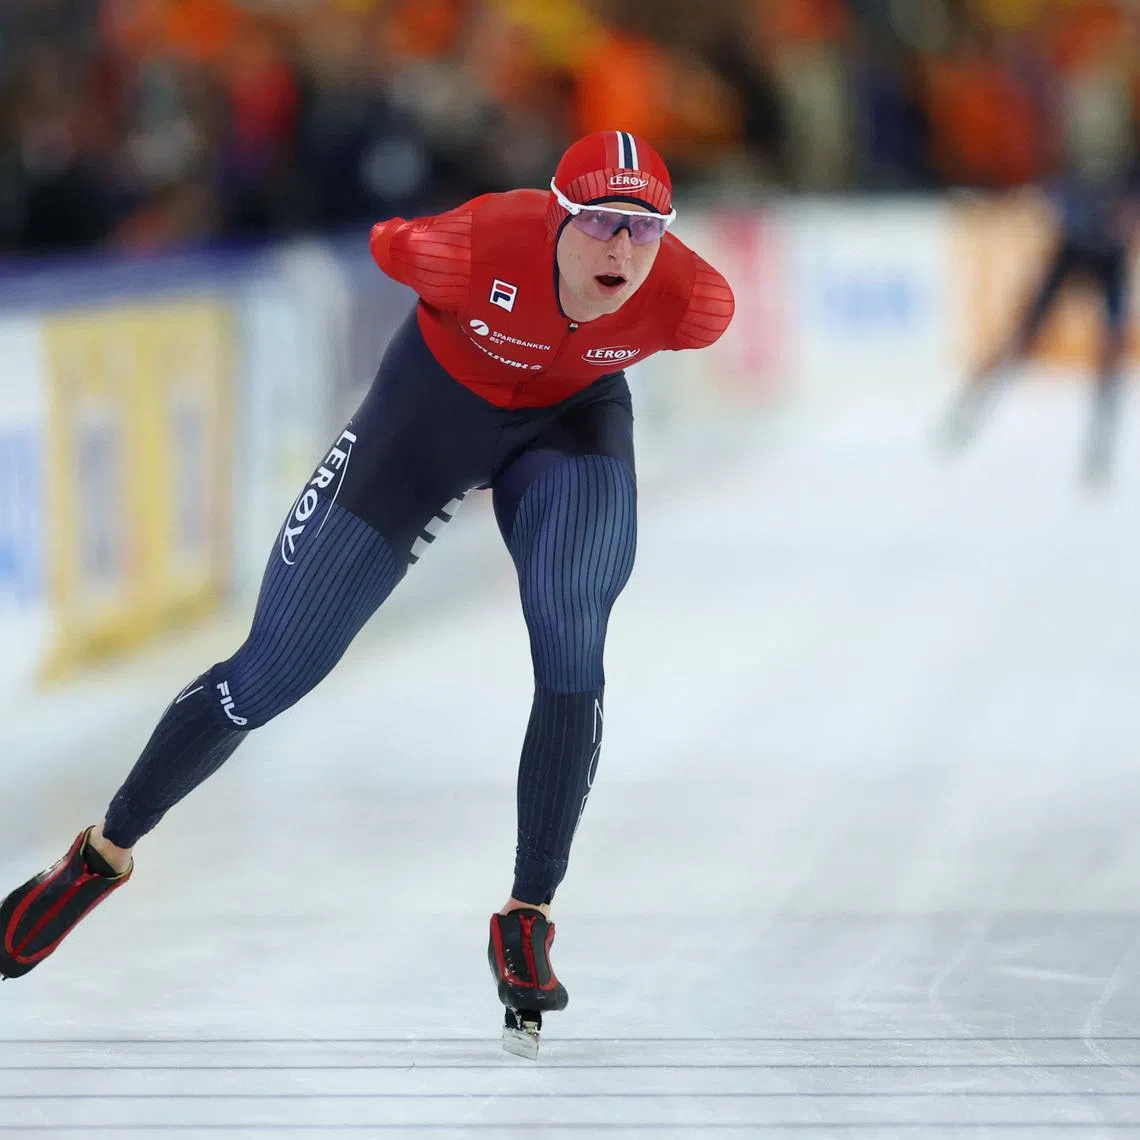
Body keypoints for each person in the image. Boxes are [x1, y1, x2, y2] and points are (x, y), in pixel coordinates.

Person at [0, 131, 734, 1051]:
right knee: (268, 676)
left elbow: (668, 302)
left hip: (570, 426)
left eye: (643, 230)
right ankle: (101, 854)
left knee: (571, 635)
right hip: (418, 433)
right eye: (599, 224)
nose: (621, 252)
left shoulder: (692, 298)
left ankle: (528, 916)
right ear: (556, 215)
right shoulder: (465, 246)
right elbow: (385, 240)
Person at [941, 158, 1139, 483]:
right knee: (1025, 333)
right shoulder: (1071, 159)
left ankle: (1100, 446)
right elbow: (1052, 195)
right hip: (1074, 250)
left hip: (1104, 258)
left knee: (1110, 349)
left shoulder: (1122, 166)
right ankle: (969, 409)